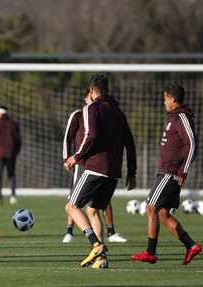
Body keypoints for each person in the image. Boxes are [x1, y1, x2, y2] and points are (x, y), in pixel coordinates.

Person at [65, 74, 136, 269]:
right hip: (114, 172)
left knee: (71, 206)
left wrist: (76, 157)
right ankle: (102, 259)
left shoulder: (91, 108)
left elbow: (91, 135)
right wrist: (132, 172)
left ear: (91, 91)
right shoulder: (118, 112)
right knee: (94, 210)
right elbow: (129, 143)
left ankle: (95, 244)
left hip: (96, 168)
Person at [131, 85, 202, 265]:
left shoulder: (182, 117)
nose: (164, 102)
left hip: (170, 173)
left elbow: (191, 143)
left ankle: (150, 252)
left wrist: (183, 170)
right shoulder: (173, 117)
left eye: (165, 99)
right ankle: (191, 245)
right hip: (166, 172)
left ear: (173, 99)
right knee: (162, 214)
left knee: (150, 207)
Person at [0, 106, 21, 207]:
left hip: (0, 154)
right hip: (11, 154)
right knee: (11, 175)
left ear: (0, 113)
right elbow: (19, 140)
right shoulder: (14, 123)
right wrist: (16, 152)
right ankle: (13, 197)